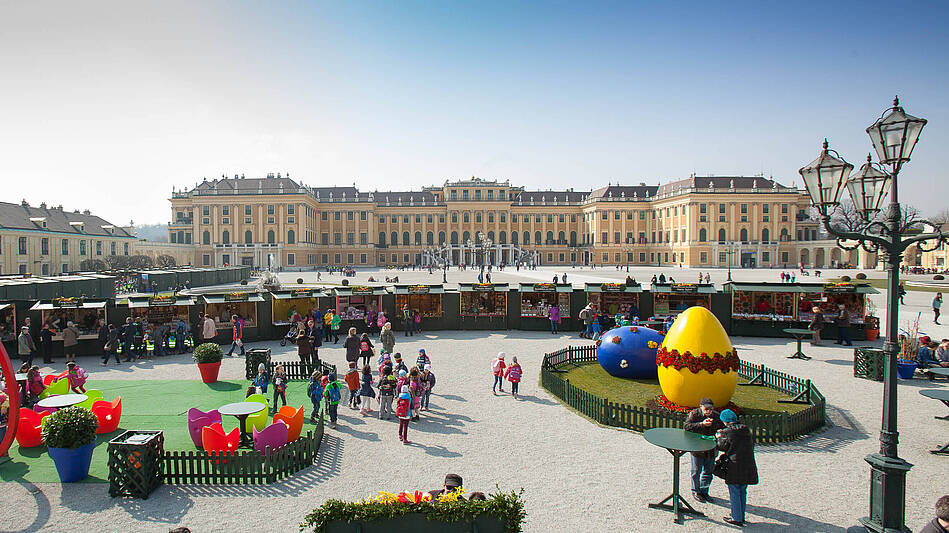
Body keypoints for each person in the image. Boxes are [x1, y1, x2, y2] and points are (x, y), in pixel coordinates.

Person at [715, 409, 758, 527]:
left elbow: (722, 446)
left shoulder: (728, 432)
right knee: (742, 490)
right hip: (747, 463)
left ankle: (736, 517)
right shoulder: (745, 429)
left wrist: (719, 436)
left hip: (734, 465)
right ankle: (740, 514)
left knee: (734, 490)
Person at [683, 398, 725, 502]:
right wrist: (702, 424)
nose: (708, 411)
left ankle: (704, 491)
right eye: (706, 409)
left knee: (708, 471)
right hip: (697, 447)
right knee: (696, 471)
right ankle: (696, 491)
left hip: (711, 447)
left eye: (710, 409)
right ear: (701, 407)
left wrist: (719, 431)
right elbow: (687, 426)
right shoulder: (694, 414)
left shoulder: (716, 416)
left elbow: (722, 427)